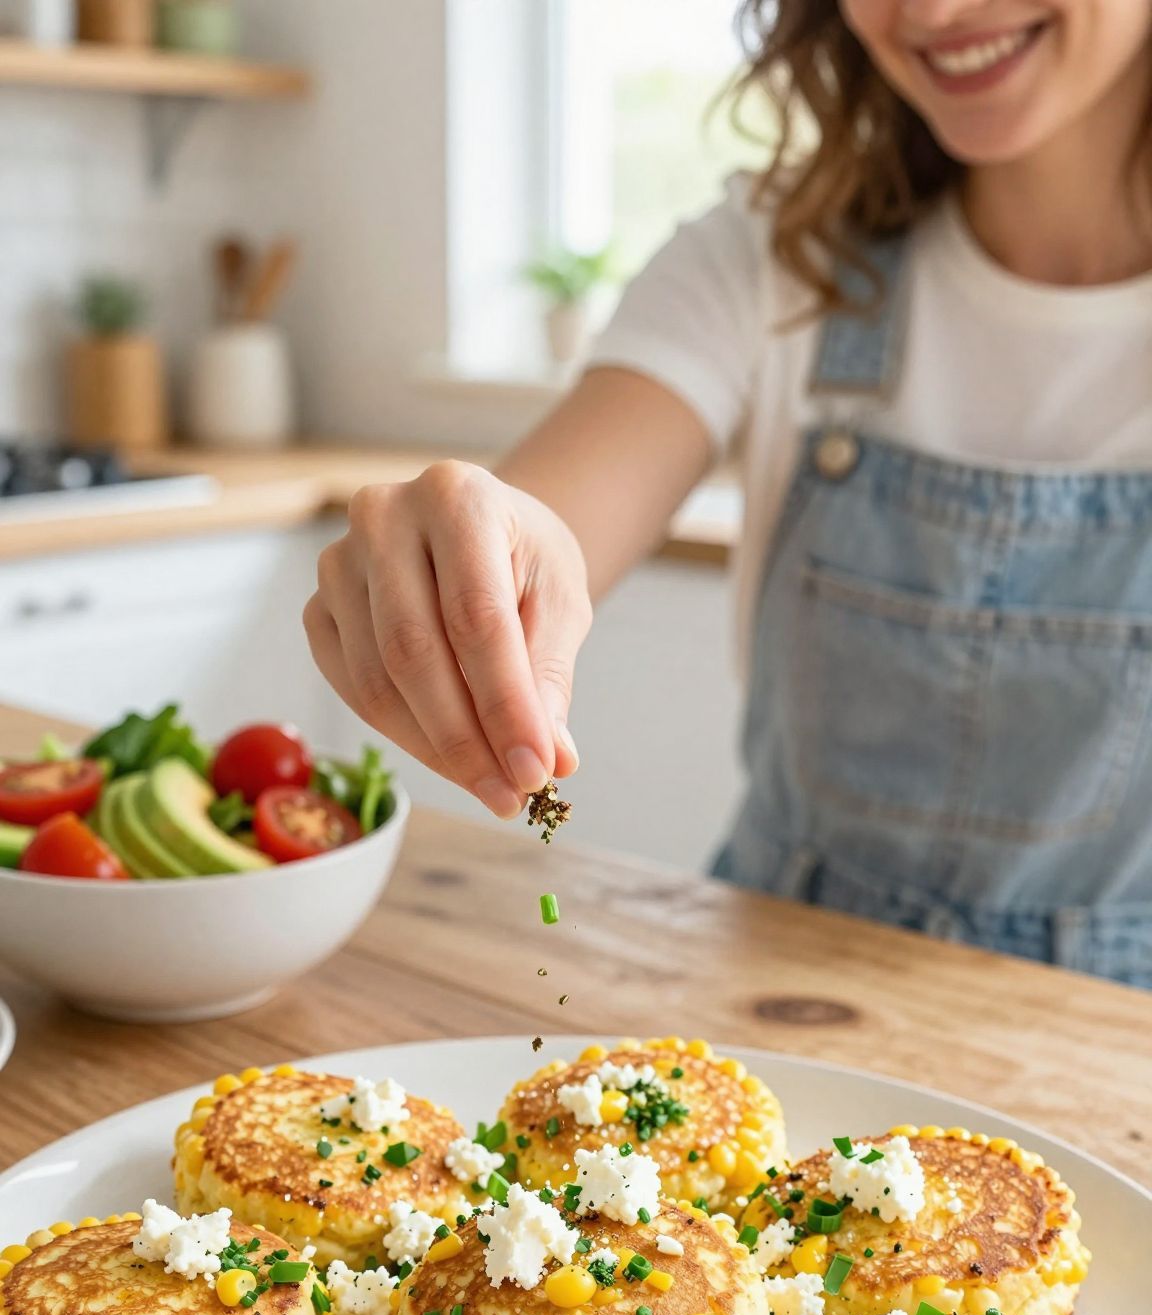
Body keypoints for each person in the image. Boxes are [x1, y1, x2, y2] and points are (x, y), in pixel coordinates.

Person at [305, 0, 1152, 987]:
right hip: (770, 1004)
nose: (930, 9)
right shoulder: (769, 253)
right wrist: (473, 548)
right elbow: (551, 518)